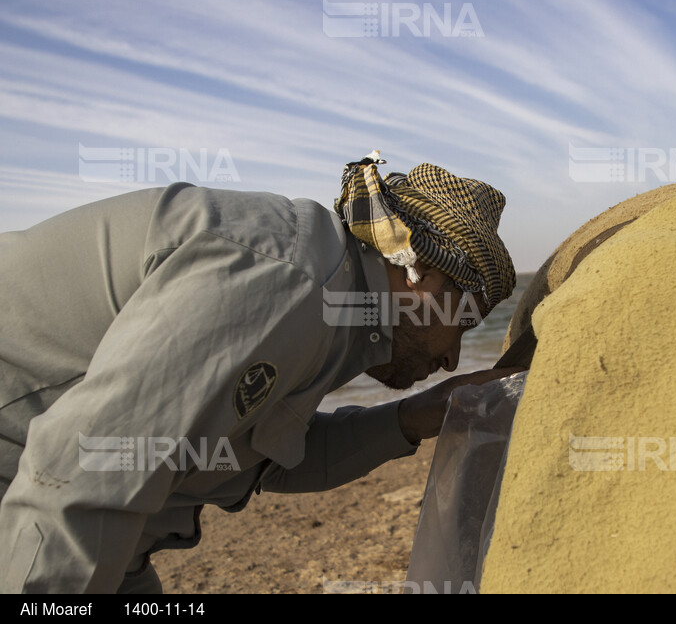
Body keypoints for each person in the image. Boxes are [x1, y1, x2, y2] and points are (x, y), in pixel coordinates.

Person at [0, 151, 520, 593]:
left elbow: (263, 459)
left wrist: (413, 418)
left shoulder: (336, 308)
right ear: (421, 274)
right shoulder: (291, 283)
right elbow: (82, 480)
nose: (453, 357)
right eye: (464, 320)